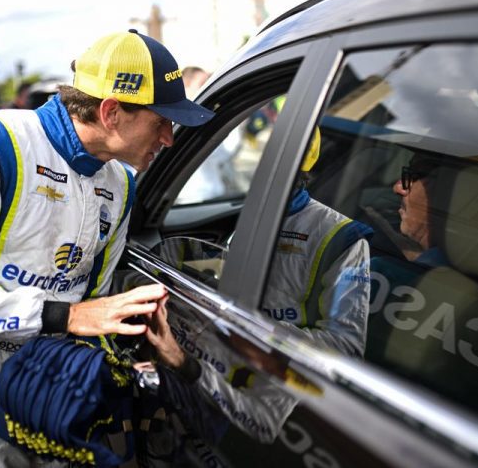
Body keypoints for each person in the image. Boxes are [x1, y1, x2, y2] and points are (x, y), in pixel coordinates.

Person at [0, 28, 214, 467]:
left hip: (58, 402)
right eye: (161, 121)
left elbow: (93, 302)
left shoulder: (119, 183)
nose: (168, 139)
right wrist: (65, 315)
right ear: (110, 112)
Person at [139, 127, 372, 447]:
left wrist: (258, 338)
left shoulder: (340, 237)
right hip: (199, 378)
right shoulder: (246, 214)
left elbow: (344, 350)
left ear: (300, 169)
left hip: (259, 403)